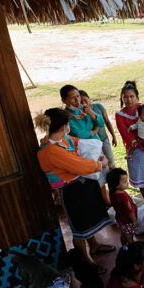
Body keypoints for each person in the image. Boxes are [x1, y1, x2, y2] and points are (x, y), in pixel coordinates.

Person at [35, 108, 115, 274]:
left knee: (87, 223)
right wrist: (102, 163)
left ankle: (94, 246)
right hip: (72, 191)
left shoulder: (61, 140)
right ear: (64, 126)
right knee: (79, 229)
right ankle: (88, 262)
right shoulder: (50, 151)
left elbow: (79, 143)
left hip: (81, 186)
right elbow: (80, 166)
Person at [79, 90, 118, 169]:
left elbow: (107, 122)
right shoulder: (79, 114)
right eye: (81, 102)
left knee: (110, 161)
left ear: (89, 98)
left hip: (104, 139)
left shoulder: (98, 107)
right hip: (92, 143)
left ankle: (115, 179)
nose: (84, 103)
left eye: (85, 100)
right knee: (100, 164)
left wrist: (113, 136)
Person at [107, 168, 138, 245]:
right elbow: (129, 210)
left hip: (120, 219)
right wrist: (134, 220)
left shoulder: (112, 193)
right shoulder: (123, 196)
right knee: (129, 235)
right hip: (128, 221)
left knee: (123, 233)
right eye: (124, 182)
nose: (127, 183)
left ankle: (124, 246)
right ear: (115, 184)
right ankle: (132, 247)